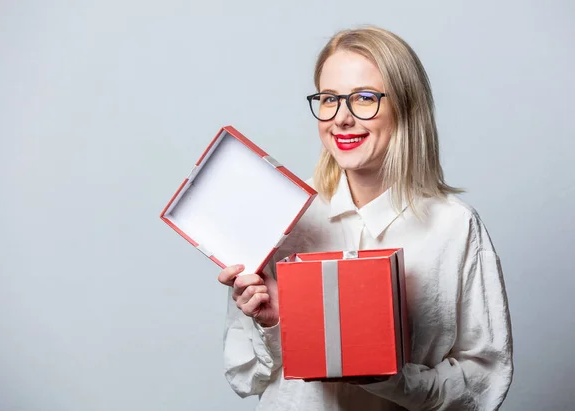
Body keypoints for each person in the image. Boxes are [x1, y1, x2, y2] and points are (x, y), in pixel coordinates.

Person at [217, 26, 513, 411]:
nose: (341, 118)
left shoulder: (454, 226)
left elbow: (484, 381)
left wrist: (391, 380)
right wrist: (271, 325)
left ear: (406, 107)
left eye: (365, 98)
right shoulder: (281, 215)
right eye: (329, 99)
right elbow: (244, 376)